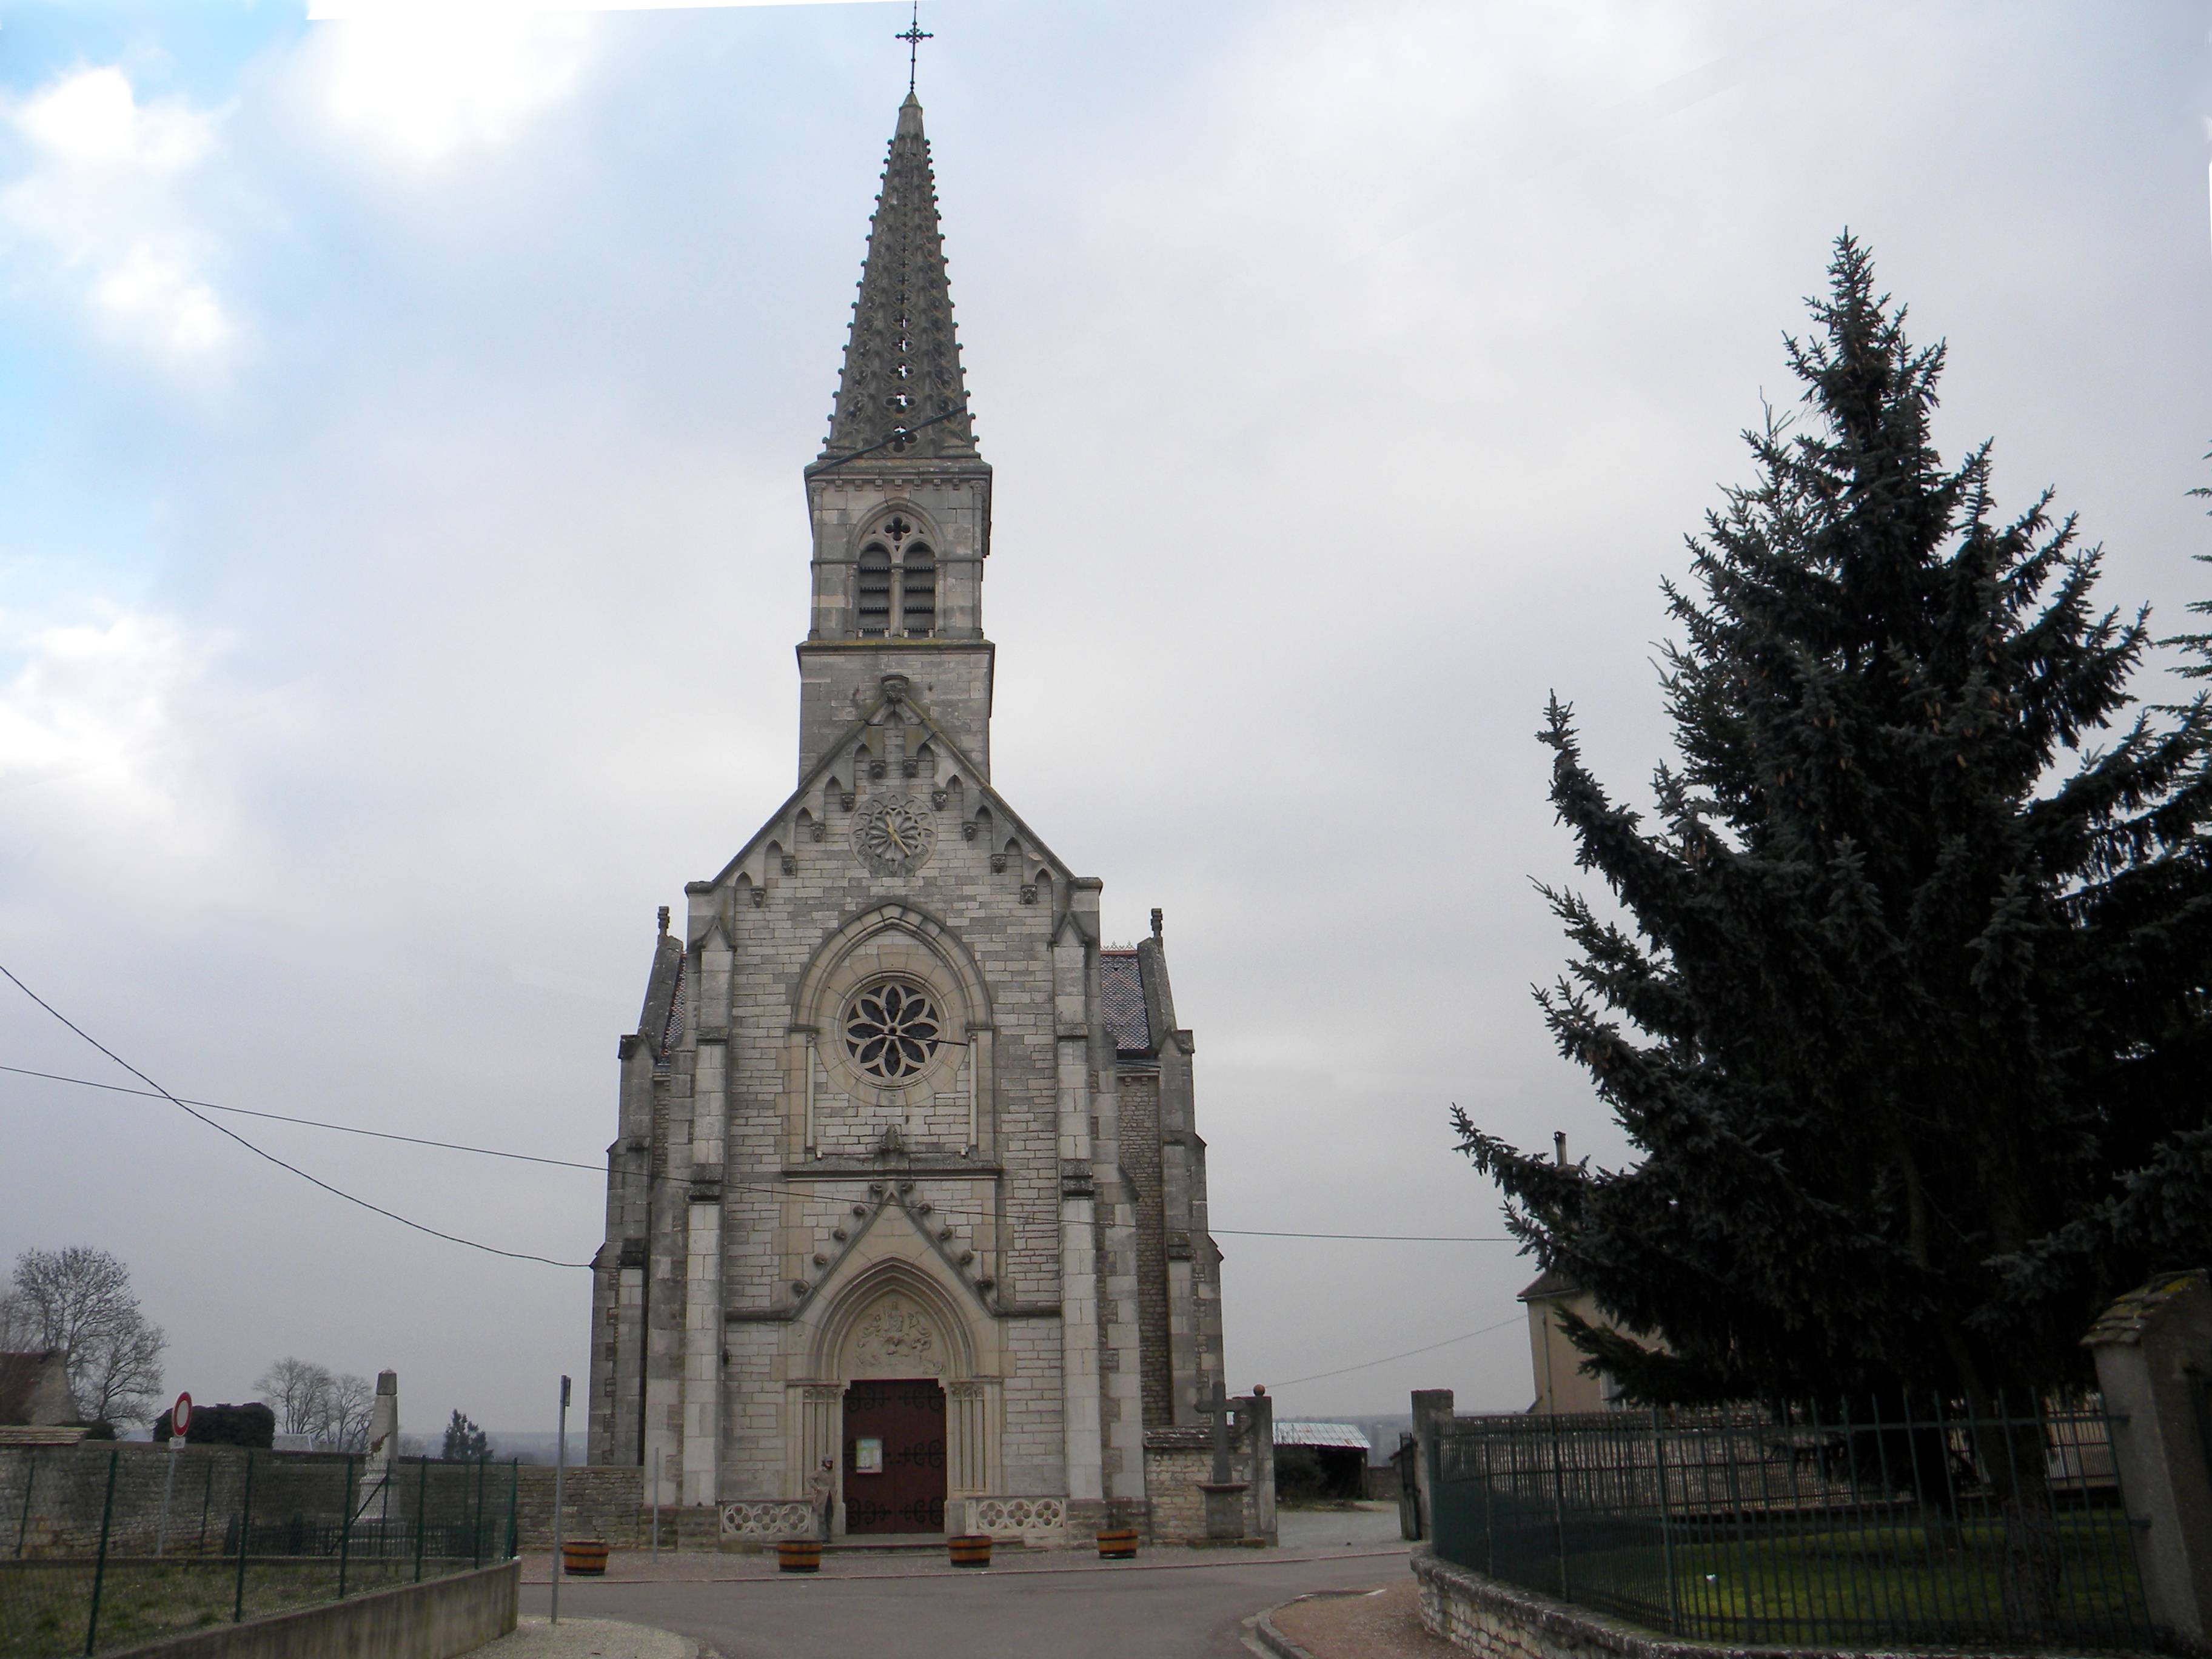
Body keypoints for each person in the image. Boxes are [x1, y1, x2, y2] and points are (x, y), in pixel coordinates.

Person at [809, 1455, 836, 1541]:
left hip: (830, 1497)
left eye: (830, 1462)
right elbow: (809, 1479)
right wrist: (817, 1488)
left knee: (829, 1517)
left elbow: (833, 1484)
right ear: (824, 1462)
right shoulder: (820, 1471)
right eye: (827, 1462)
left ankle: (828, 1536)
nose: (829, 1464)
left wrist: (835, 1491)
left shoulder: (832, 1472)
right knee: (822, 1517)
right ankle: (822, 1537)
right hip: (822, 1497)